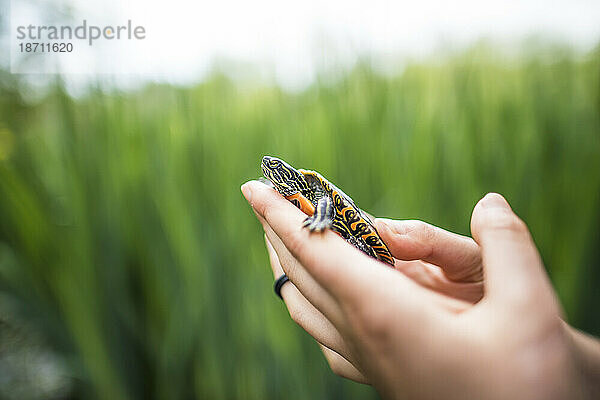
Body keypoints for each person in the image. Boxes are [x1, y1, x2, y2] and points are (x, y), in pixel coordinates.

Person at [241, 180, 600, 400]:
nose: (273, 170)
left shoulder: (314, 190)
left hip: (366, 244)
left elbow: (328, 204)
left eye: (278, 169)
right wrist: (573, 362)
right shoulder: (298, 195)